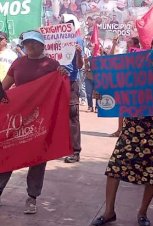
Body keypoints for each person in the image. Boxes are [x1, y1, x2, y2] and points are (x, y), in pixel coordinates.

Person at [91, 36, 153, 226]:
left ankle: (142, 213)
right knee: (114, 168)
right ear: (150, 49)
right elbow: (117, 89)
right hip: (133, 128)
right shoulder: (136, 70)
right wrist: (101, 95)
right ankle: (109, 212)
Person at [0, 30, 68, 214]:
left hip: (41, 119)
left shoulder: (52, 65)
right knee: (9, 149)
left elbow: (61, 88)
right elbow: (5, 88)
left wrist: (62, 73)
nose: (30, 46)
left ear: (42, 45)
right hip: (18, 117)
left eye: (34, 43)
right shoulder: (18, 63)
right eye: (27, 43)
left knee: (37, 157)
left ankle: (32, 197)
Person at [61, 14, 84, 163]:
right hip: (56, 83)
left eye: (70, 24)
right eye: (65, 24)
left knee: (72, 116)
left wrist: (79, 53)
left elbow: (80, 65)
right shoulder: (56, 40)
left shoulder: (78, 41)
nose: (67, 26)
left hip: (70, 82)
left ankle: (75, 151)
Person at [108, 36, 141, 137]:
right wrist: (114, 44)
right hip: (124, 85)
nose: (127, 44)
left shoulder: (140, 55)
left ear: (135, 45)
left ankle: (134, 130)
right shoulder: (124, 54)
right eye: (127, 42)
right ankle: (119, 130)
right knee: (122, 108)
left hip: (136, 87)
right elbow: (111, 57)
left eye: (130, 42)